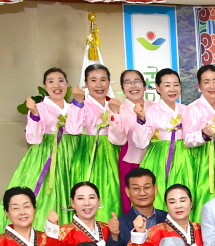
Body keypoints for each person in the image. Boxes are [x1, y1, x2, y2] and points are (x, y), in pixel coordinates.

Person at [0, 67, 78, 232]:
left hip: (71, 156)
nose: (56, 85)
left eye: (61, 81)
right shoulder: (39, 108)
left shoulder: (74, 107)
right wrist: (34, 112)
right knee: (45, 195)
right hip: (45, 155)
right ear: (45, 86)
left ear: (67, 84)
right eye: (51, 81)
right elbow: (34, 138)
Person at [68, 63, 126, 222]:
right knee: (88, 192)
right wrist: (77, 103)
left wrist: (115, 113)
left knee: (113, 193)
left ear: (109, 82)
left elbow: (120, 139)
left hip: (112, 153)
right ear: (86, 83)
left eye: (103, 80)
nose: (99, 85)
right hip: (88, 154)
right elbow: (73, 129)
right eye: (93, 80)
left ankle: (112, 230)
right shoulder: (81, 105)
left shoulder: (115, 105)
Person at [44, 181, 128, 246]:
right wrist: (52, 227)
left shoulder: (108, 228)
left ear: (99, 201)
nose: (87, 203)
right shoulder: (64, 231)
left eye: (91, 197)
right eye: (80, 198)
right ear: (72, 203)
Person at [134, 68, 195, 198]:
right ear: (158, 88)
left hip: (184, 156)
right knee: (158, 192)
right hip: (159, 156)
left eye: (176, 84)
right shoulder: (152, 111)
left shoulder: (187, 110)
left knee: (184, 190)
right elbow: (141, 143)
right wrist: (141, 119)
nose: (172, 89)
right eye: (167, 85)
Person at [185, 65, 215, 206]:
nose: (212, 86)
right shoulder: (192, 109)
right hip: (203, 160)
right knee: (205, 196)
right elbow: (188, 140)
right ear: (199, 85)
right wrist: (203, 135)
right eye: (206, 82)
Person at [111, 69, 152, 209]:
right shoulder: (119, 110)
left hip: (156, 160)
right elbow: (118, 139)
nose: (133, 86)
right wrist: (115, 114)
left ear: (145, 86)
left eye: (137, 82)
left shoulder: (155, 107)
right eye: (128, 83)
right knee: (132, 202)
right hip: (131, 162)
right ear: (122, 89)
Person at [119, 166, 165, 236]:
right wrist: (114, 235)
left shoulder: (168, 218)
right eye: (136, 188)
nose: (142, 193)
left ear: (155, 189)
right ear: (127, 192)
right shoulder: (120, 224)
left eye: (147, 187)